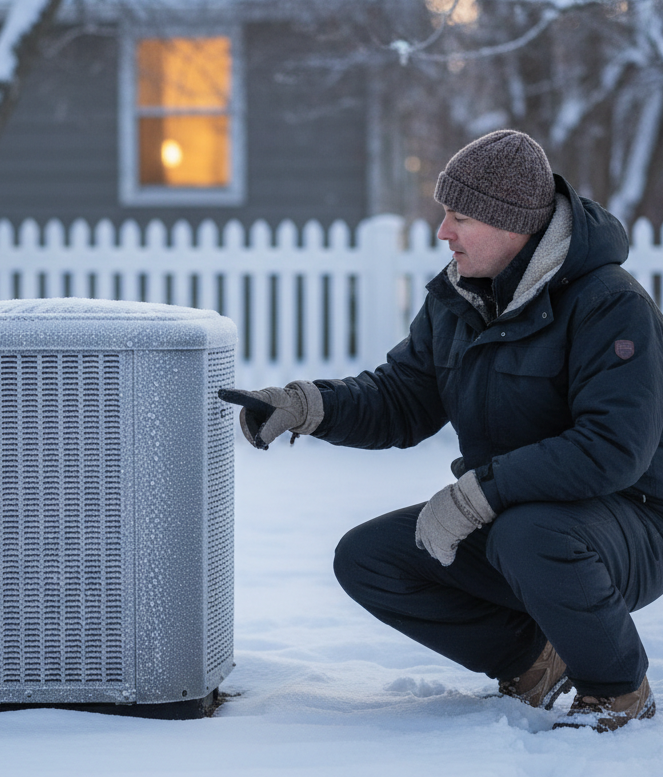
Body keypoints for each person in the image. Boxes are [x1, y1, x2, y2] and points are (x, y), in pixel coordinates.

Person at [220, 129, 663, 733]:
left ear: (512, 224)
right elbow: (403, 397)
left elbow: (613, 449)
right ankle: (533, 660)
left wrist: (479, 493)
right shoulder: (459, 301)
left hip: (631, 523)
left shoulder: (610, 304)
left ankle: (617, 690)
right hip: (518, 513)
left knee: (527, 533)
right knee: (370, 557)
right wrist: (308, 407)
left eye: (459, 217)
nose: (442, 232)